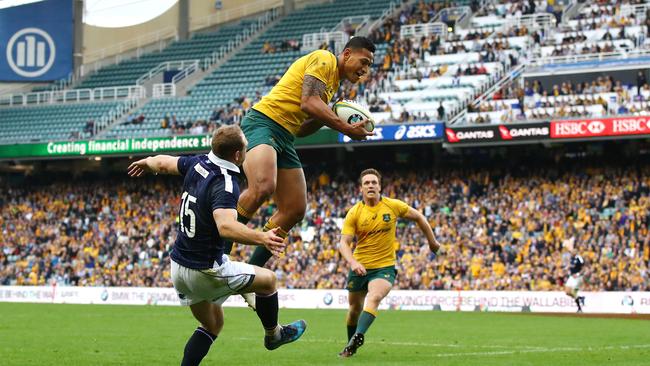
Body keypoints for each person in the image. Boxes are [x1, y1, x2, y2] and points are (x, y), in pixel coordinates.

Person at [126, 125, 306, 366]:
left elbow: (163, 163)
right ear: (238, 155)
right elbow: (226, 227)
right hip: (206, 270)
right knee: (269, 280)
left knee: (213, 324)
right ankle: (274, 335)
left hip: (178, 268)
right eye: (245, 147)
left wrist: (146, 161)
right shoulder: (226, 183)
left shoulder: (197, 163)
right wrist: (261, 237)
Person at [225, 37, 376, 275]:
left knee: (295, 208)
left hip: (284, 135)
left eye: (370, 66)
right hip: (264, 122)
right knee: (263, 185)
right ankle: (218, 249)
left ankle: (251, 273)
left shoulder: (332, 85)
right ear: (347, 54)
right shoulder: (324, 59)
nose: (366, 69)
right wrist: (344, 127)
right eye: (364, 61)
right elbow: (308, 102)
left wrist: (326, 115)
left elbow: (301, 128)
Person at [337, 168, 444, 358]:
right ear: (360, 188)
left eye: (374, 182)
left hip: (384, 267)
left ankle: (358, 336)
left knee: (375, 297)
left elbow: (419, 217)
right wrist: (353, 262)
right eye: (366, 183)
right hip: (360, 266)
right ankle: (350, 345)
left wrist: (433, 242)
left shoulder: (393, 206)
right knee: (354, 310)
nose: (370, 185)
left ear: (380, 186)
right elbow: (343, 243)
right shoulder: (354, 213)